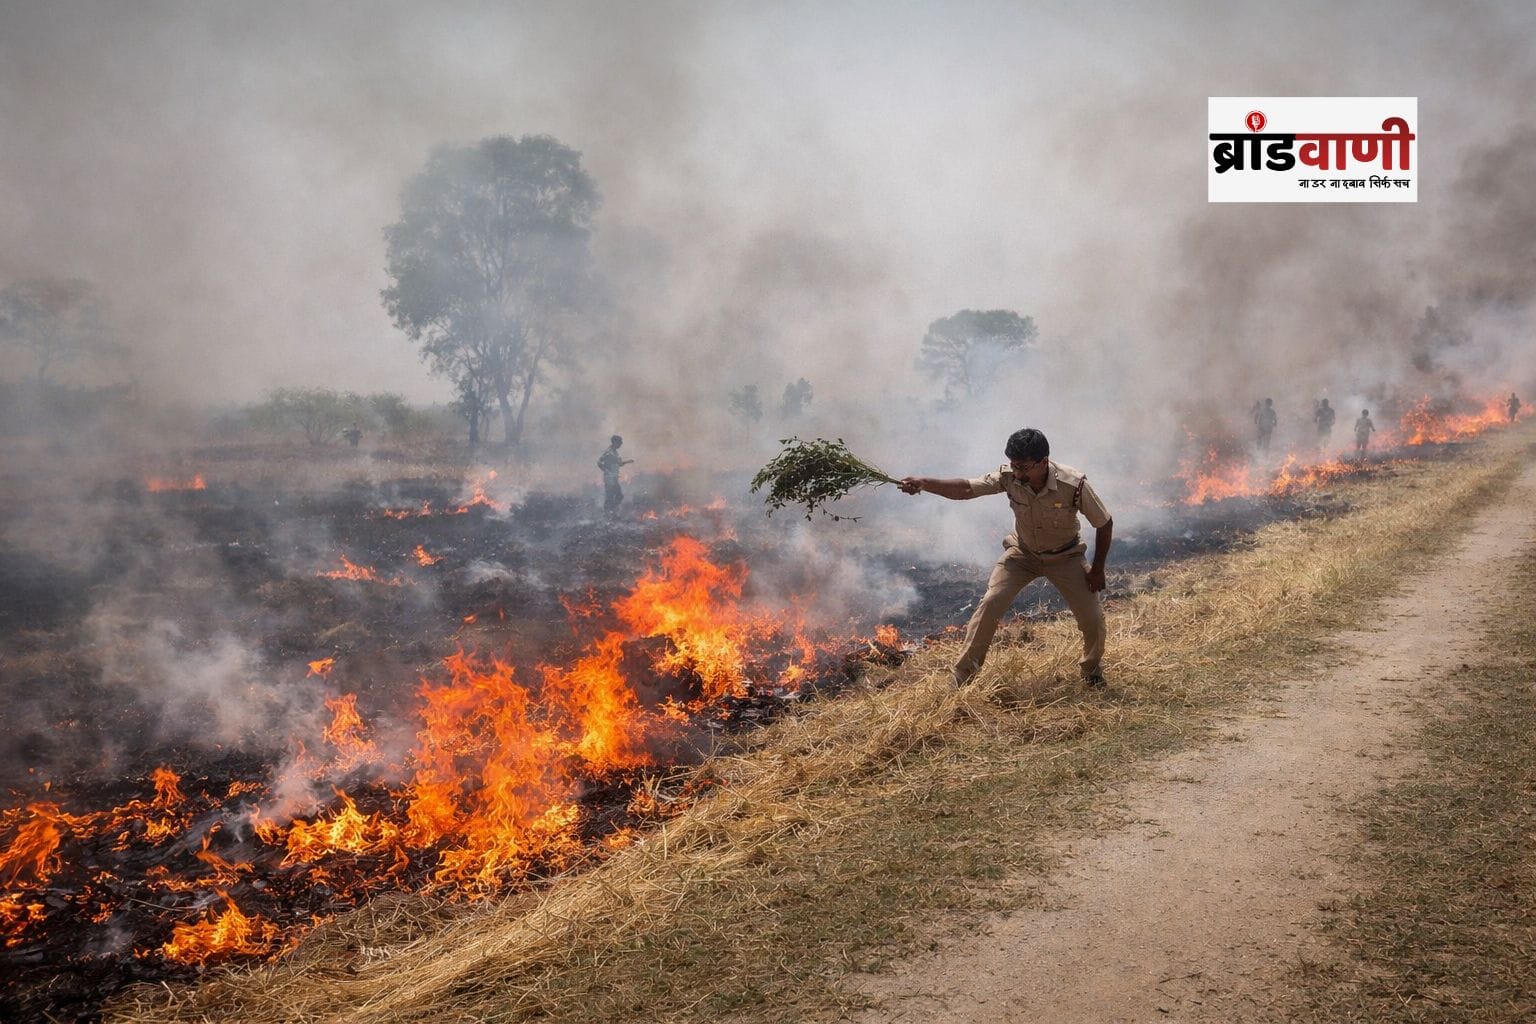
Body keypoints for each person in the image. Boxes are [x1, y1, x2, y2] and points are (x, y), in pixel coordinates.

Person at [899, 427, 1113, 689]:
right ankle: (962, 677)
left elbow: (1104, 523)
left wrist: (1097, 569)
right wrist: (924, 483)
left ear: (1043, 462)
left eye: (1023, 467)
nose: (1017, 473)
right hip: (1022, 554)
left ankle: (1091, 671)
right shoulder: (1009, 476)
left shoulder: (1073, 484)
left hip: (1065, 556)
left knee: (1092, 618)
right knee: (990, 603)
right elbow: (967, 488)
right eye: (1013, 465)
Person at [597, 434, 633, 512]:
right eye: (620, 442)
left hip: (614, 478)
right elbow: (599, 462)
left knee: (619, 496)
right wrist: (605, 470)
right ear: (615, 442)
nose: (621, 443)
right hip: (609, 479)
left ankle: (611, 512)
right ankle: (608, 515)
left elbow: (619, 463)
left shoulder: (615, 452)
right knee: (610, 497)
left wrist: (627, 461)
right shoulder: (609, 452)